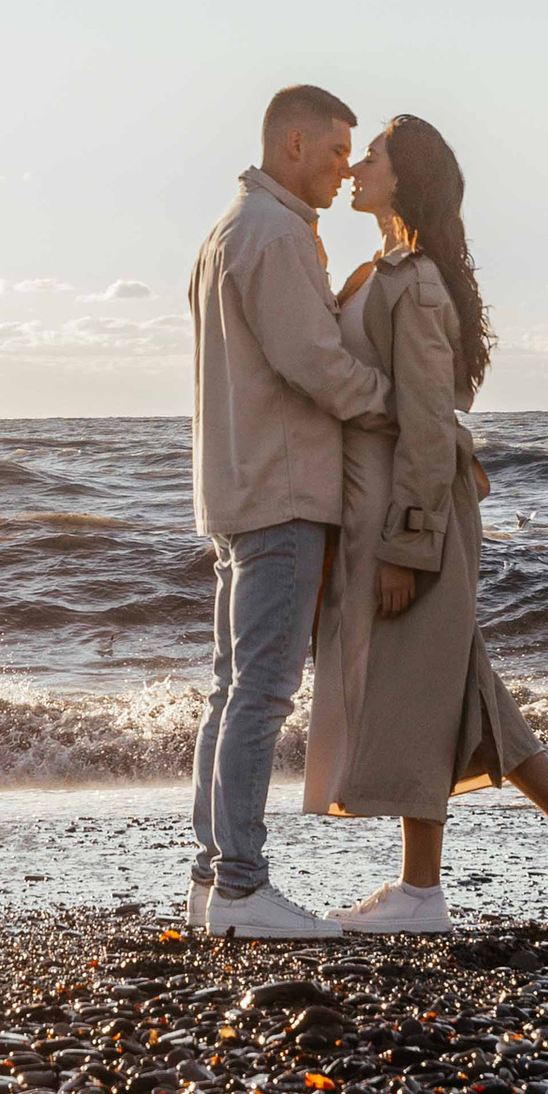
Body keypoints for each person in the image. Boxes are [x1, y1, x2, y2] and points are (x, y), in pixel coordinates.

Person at [303, 110, 548, 933]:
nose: (355, 169)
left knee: (425, 688)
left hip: (413, 515)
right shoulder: (380, 272)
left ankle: (421, 893)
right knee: (461, 690)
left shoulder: (415, 284)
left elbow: (426, 426)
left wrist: (405, 548)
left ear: (403, 177)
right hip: (387, 508)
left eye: (371, 157)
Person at [185, 84, 394, 940]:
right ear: (295, 144)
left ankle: (214, 881)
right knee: (261, 694)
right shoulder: (272, 235)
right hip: (279, 490)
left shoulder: (234, 229)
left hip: (240, 488)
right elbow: (315, 362)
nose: (346, 167)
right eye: (338, 150)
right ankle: (241, 888)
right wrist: (400, 407)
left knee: (233, 691)